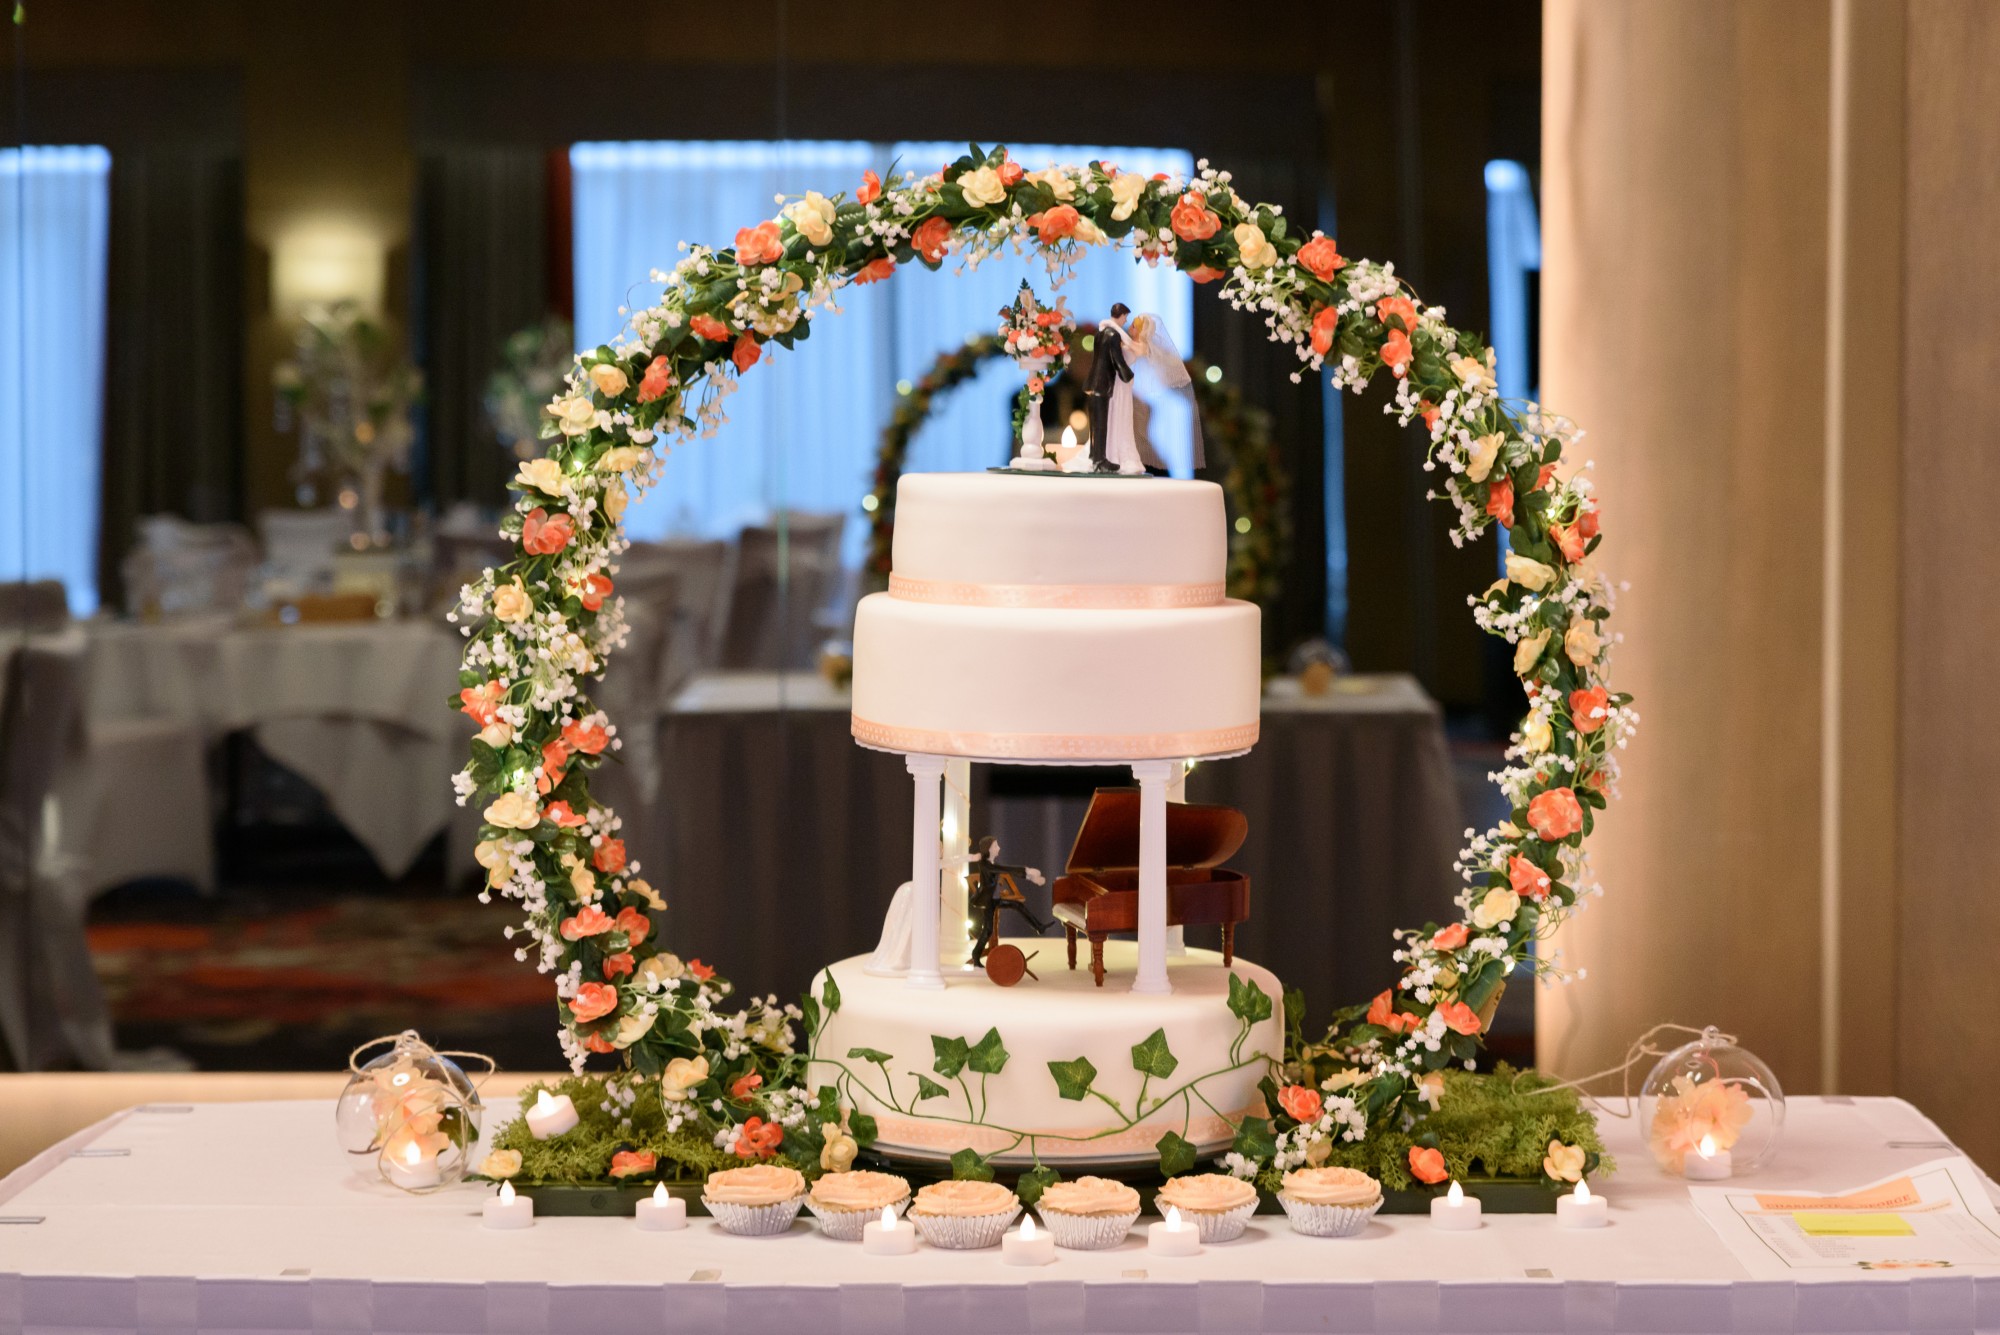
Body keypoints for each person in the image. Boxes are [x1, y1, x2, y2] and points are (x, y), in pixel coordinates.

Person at [966, 836, 1051, 969]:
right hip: (987, 901)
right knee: (988, 930)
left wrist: (1030, 877)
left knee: (1017, 905)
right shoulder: (986, 864)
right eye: (995, 846)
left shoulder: (991, 862)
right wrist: (1027, 871)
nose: (999, 848)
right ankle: (976, 955)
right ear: (989, 849)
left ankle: (1039, 927)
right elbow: (1005, 869)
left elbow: (1003, 871)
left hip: (994, 899)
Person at [1084, 303, 1135, 471]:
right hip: (1102, 383)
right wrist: (1128, 376)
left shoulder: (1100, 333)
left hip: (1092, 381)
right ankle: (1100, 460)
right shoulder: (1114, 335)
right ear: (1121, 315)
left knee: (1094, 423)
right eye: (1125, 317)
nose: (1125, 320)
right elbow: (1117, 360)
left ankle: (1094, 455)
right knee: (1100, 423)